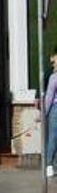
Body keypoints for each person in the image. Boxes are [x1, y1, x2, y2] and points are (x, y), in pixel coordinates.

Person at [45, 49, 57, 177]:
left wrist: (43, 115)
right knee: (53, 137)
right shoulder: (53, 77)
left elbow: (49, 97)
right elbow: (48, 97)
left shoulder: (54, 77)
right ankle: (49, 165)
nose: (52, 65)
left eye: (54, 62)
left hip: (55, 109)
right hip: (55, 109)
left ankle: (49, 165)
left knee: (53, 137)